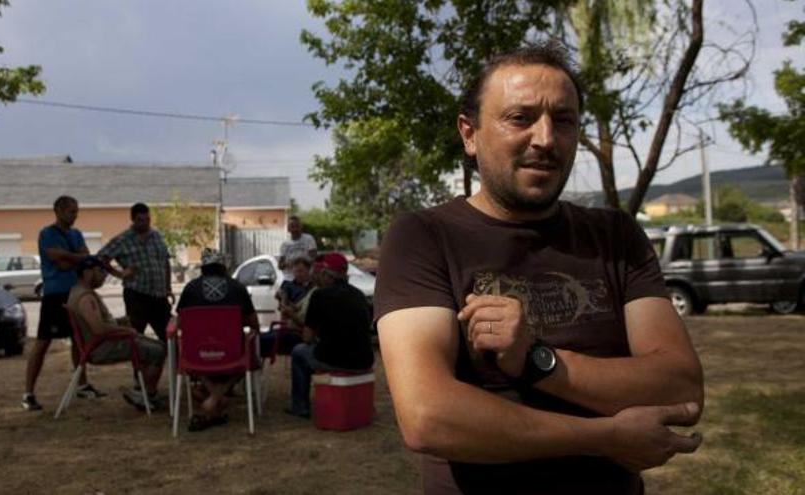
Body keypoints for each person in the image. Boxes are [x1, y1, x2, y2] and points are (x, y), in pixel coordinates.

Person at [374, 43, 704, 495]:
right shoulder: (423, 238)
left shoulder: (615, 236)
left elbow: (679, 387)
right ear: (469, 134)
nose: (546, 139)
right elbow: (428, 417)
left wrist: (536, 360)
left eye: (563, 120)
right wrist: (605, 437)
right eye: (520, 117)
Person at [22, 195, 103, 411]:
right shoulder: (47, 234)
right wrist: (76, 258)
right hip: (55, 296)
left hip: (76, 295)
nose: (74, 215)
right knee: (43, 343)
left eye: (76, 211)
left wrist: (72, 258)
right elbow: (59, 260)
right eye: (70, 211)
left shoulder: (76, 234)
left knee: (79, 341)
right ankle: (29, 393)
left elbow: (82, 258)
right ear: (57, 211)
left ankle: (82, 385)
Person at [176, 248, 260, 431]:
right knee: (246, 354)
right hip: (231, 355)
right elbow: (254, 325)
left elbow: (180, 324)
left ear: (203, 268)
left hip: (197, 355)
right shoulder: (238, 288)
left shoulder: (190, 288)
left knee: (196, 362)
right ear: (224, 267)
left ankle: (212, 397)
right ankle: (216, 398)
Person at [68, 256, 166, 410]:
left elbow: (97, 324)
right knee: (158, 350)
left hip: (102, 343)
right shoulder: (86, 297)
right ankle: (147, 394)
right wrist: (126, 330)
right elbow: (98, 329)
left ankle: (142, 391)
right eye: (100, 271)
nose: (104, 276)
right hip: (101, 347)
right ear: (87, 273)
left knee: (154, 345)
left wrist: (120, 322)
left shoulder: (77, 291)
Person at [286, 252, 374, 418]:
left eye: (319, 274)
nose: (317, 277)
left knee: (299, 351)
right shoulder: (359, 295)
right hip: (364, 360)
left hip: (335, 360)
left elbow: (307, 338)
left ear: (327, 274)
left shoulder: (319, 295)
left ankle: (300, 406)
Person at [98, 203, 173, 341]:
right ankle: (140, 362)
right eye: (140, 220)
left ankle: (167, 361)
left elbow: (165, 262)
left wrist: (168, 287)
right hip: (137, 295)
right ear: (132, 219)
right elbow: (101, 258)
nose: (145, 223)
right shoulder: (123, 239)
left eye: (147, 219)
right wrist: (120, 274)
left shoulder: (156, 236)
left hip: (159, 296)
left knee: (169, 335)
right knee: (136, 337)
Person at [274, 257, 316, 353]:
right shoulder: (288, 285)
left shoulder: (314, 288)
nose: (298, 274)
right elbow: (282, 309)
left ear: (309, 271)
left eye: (301, 271)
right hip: (290, 326)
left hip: (305, 329)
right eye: (295, 271)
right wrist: (283, 299)